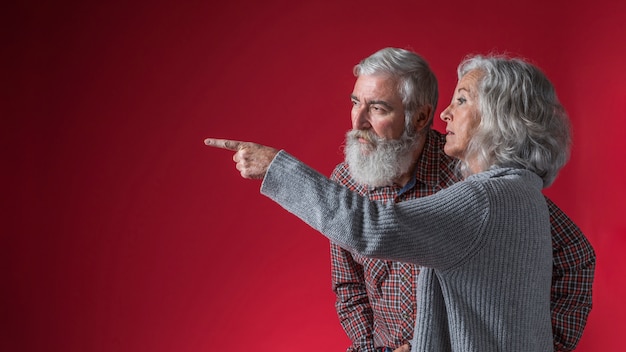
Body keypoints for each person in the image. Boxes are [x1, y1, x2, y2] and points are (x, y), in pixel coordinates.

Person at [204, 55, 590, 351]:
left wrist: (277, 167)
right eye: (356, 102)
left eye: (462, 99)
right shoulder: (520, 189)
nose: (446, 113)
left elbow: (371, 228)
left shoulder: (482, 196)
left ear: (497, 118)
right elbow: (349, 286)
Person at [325, 48, 595, 352]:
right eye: (355, 102)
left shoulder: (473, 177)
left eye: (377, 108)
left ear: (422, 116)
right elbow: (349, 287)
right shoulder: (346, 181)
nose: (358, 120)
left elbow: (574, 254)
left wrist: (550, 342)